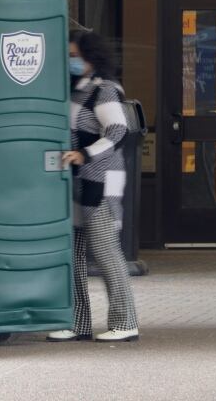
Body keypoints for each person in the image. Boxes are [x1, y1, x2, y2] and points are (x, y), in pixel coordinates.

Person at [47, 30, 139, 343]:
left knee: (105, 251)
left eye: (76, 55)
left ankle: (125, 322)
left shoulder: (105, 91)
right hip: (77, 180)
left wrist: (84, 153)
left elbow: (118, 131)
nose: (72, 60)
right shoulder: (74, 90)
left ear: (91, 57)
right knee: (73, 255)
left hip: (100, 181)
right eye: (69, 54)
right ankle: (78, 323)